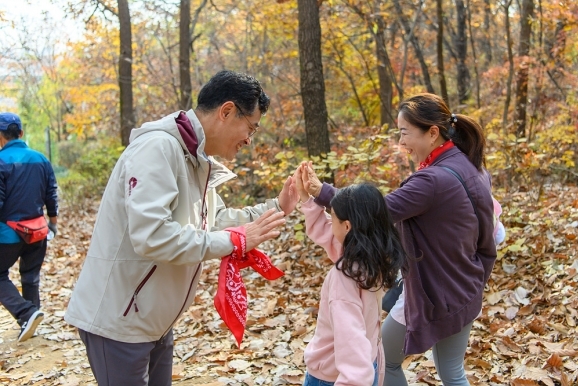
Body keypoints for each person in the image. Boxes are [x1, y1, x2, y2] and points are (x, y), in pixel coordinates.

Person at [64, 70, 299, 386]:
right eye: (251, 128)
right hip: (120, 322)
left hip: (155, 321)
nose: (249, 139)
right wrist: (232, 241)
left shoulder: (196, 158)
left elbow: (213, 221)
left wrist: (277, 207)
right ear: (226, 111)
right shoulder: (159, 149)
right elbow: (153, 236)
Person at [298, 93, 497, 386]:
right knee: (453, 372)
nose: (401, 142)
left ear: (432, 133)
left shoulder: (432, 181)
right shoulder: (471, 165)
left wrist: (320, 191)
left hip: (437, 292)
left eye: (405, 133)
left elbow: (373, 212)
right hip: (466, 285)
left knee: (386, 360)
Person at [295, 169, 405, 386]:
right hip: (367, 367)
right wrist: (307, 200)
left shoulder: (344, 276)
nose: (330, 222)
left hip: (339, 377)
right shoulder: (372, 257)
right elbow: (330, 235)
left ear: (347, 226)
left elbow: (350, 338)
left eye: (332, 217)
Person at [0, 112, 58, 342]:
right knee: (30, 275)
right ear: (21, 133)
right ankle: (31, 320)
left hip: (8, 233)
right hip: (38, 231)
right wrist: (52, 222)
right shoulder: (41, 159)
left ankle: (26, 313)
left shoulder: (1, 162)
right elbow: (51, 194)